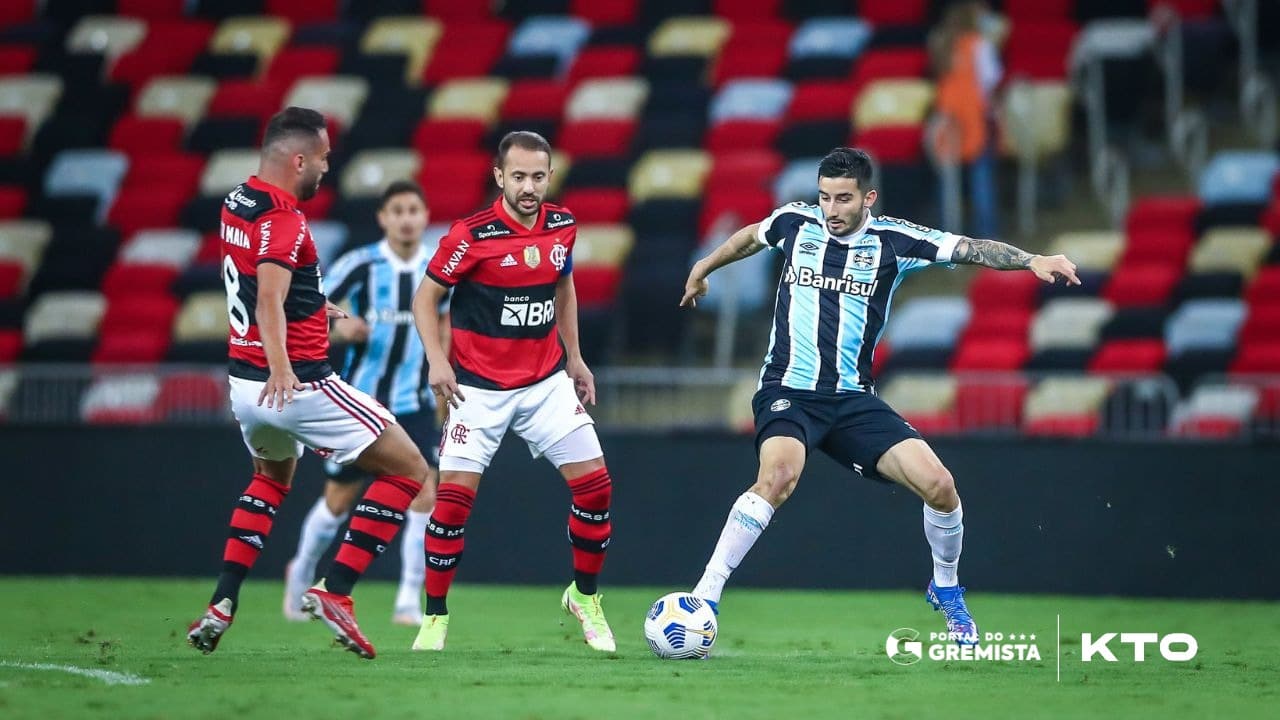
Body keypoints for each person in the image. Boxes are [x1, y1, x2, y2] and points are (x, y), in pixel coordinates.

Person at [679, 147, 1079, 645]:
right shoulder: (793, 224)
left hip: (852, 401)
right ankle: (704, 598)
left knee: (940, 485)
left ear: (868, 198)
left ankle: (946, 588)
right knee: (778, 475)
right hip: (788, 390)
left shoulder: (896, 240)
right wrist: (706, 265)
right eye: (824, 197)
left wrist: (1032, 260)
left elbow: (970, 248)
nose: (831, 210)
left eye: (843, 199)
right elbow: (749, 238)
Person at [186, 107, 434, 660]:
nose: (327, 166)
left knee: (270, 483)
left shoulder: (237, 202)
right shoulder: (286, 219)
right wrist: (283, 365)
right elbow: (269, 297)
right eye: (322, 157)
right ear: (298, 159)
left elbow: (262, 286)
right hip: (296, 383)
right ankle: (336, 591)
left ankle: (222, 602)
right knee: (412, 470)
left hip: (245, 387)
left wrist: (318, 307)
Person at [409, 131, 615, 652]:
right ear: (498, 176)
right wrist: (437, 361)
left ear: (550, 176)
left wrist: (575, 356)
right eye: (518, 176)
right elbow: (425, 299)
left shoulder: (562, 225)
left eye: (538, 177)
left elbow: (563, 286)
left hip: (545, 383)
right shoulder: (470, 236)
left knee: (596, 489)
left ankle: (584, 597)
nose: (529, 187)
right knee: (452, 504)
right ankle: (434, 616)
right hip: (476, 391)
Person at [282, 179, 449, 627]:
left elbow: (446, 321)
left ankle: (408, 600)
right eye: (397, 210)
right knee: (338, 499)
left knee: (423, 493)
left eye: (414, 209)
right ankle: (300, 573)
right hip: (361, 404)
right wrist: (341, 329)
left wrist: (443, 378)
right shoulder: (361, 264)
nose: (407, 218)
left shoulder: (438, 268)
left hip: (413, 403)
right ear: (383, 218)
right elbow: (311, 305)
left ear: (425, 215)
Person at [929, 0, 1004, 239]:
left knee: (948, 181)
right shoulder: (980, 45)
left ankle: (947, 234)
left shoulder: (941, 44)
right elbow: (990, 81)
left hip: (947, 119)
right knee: (981, 176)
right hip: (974, 117)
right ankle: (986, 234)